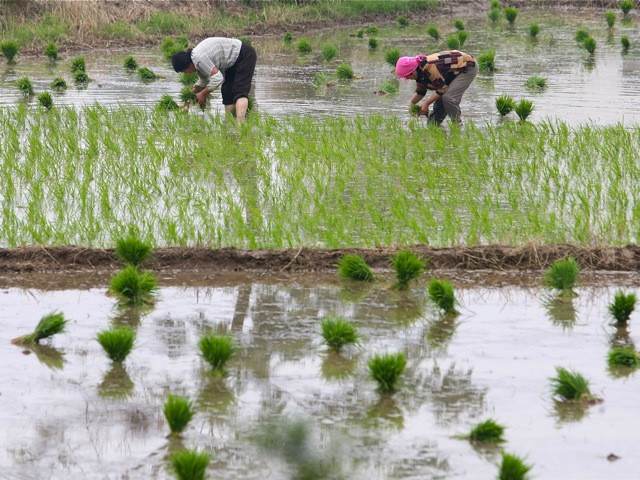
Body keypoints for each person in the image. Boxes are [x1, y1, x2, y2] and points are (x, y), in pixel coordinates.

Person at [171, 37, 257, 121]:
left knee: (239, 91)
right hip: (230, 63)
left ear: (188, 65)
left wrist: (203, 94)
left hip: (243, 54)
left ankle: (240, 123)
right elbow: (203, 81)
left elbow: (217, 78)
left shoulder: (199, 59)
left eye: (185, 71)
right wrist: (190, 97)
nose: (186, 73)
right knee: (227, 90)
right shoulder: (195, 61)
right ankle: (230, 122)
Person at [395, 50, 477, 125]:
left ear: (412, 72)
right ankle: (435, 125)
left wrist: (426, 104)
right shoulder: (419, 73)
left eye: (407, 77)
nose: (408, 79)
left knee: (448, 98)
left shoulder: (429, 67)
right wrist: (411, 103)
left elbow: (443, 89)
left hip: (467, 66)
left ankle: (457, 124)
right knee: (432, 123)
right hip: (450, 73)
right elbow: (421, 91)